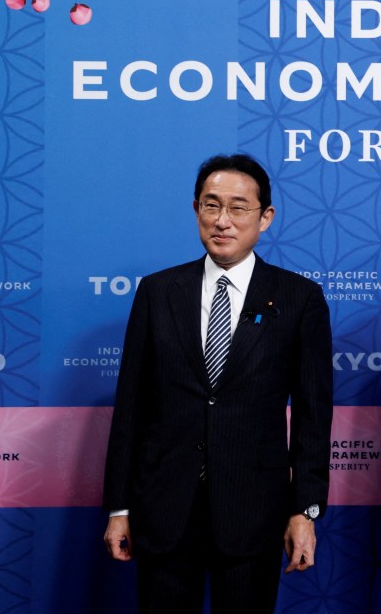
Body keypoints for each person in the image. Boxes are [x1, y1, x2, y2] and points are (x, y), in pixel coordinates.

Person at [102, 154, 333, 613]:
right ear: (195, 210)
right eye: (211, 206)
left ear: (265, 217)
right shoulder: (158, 291)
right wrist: (118, 507)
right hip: (165, 509)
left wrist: (305, 510)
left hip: (254, 513)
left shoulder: (298, 298)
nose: (222, 221)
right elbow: (131, 407)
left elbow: (313, 416)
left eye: (239, 207)